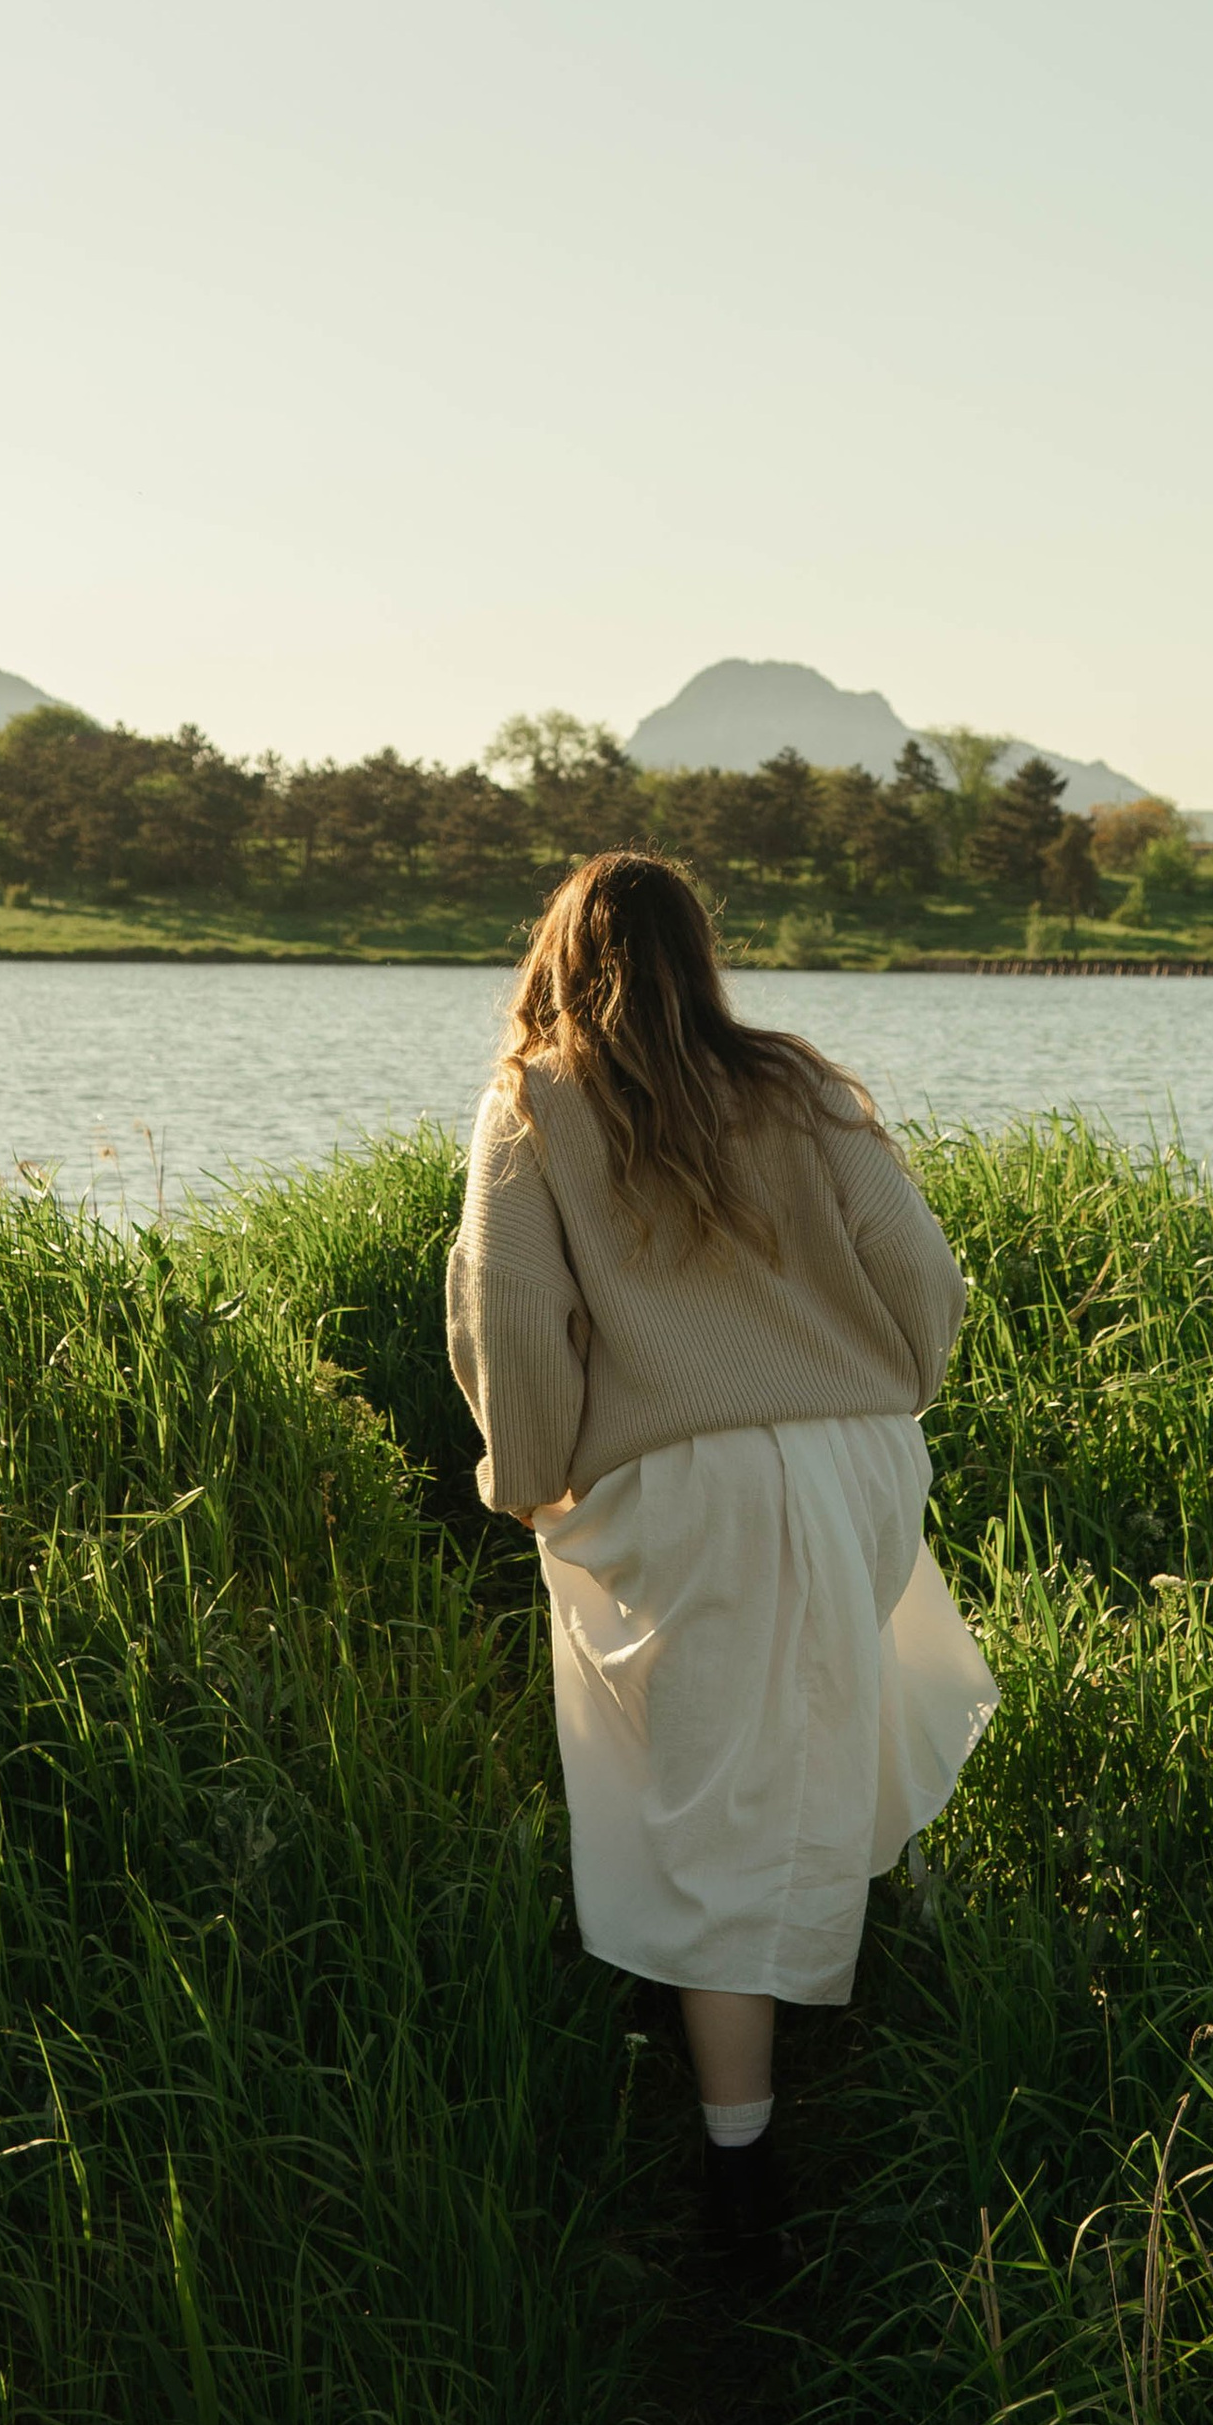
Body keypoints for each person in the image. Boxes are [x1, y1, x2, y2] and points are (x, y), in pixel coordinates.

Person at [445, 851, 997, 2271]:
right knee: (837, 1683)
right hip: (856, 1451)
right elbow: (923, 1273)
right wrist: (882, 1398)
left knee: (710, 1804)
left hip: (687, 1485)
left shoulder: (535, 1099)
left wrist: (525, 1478)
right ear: (704, 953)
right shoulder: (802, 1084)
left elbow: (513, 1316)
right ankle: (905, 1963)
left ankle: (740, 2168)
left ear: (558, 957)